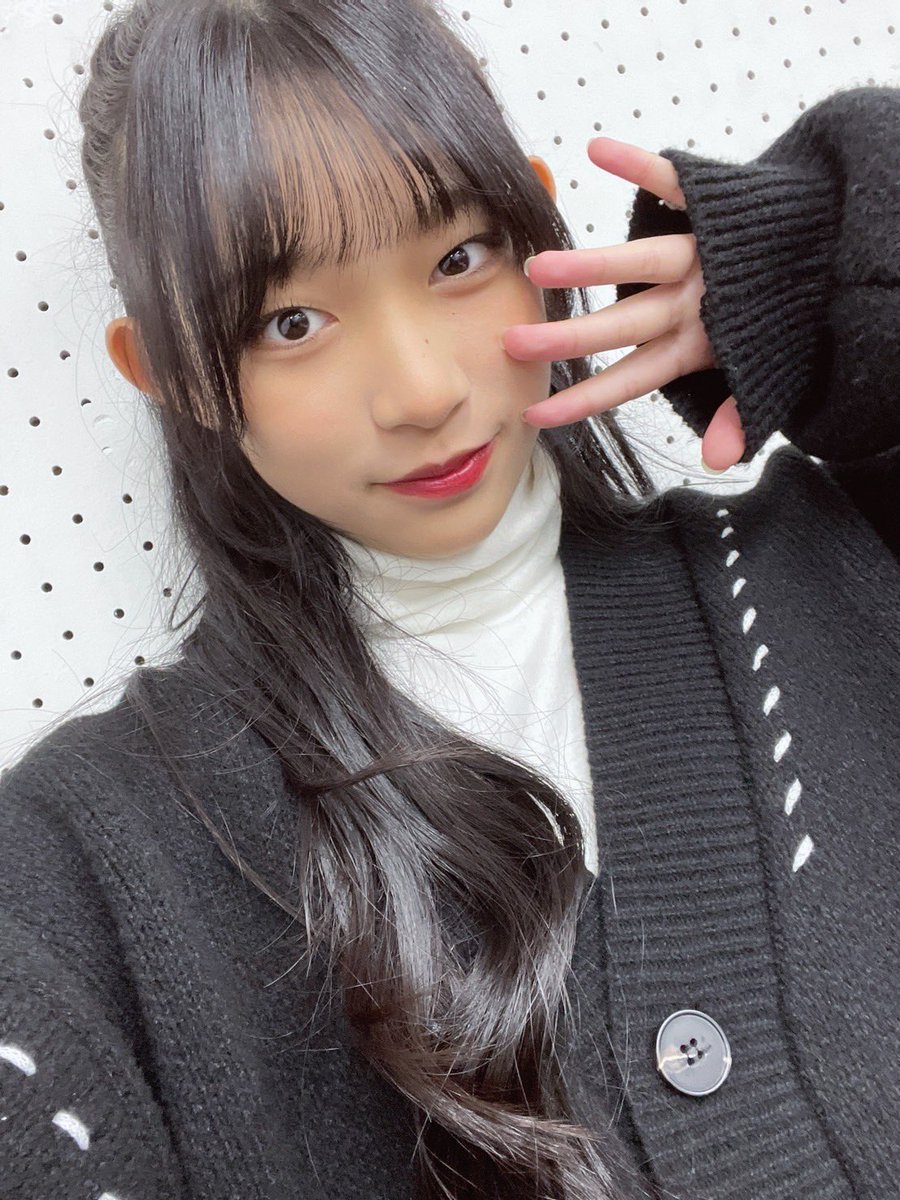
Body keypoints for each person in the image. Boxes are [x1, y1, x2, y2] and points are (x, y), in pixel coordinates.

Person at [0, 0, 896, 1197]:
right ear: (173, 377)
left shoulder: (839, 563)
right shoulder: (81, 867)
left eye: (459, 258)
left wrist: (818, 270)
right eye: (292, 322)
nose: (420, 391)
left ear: (535, 242)